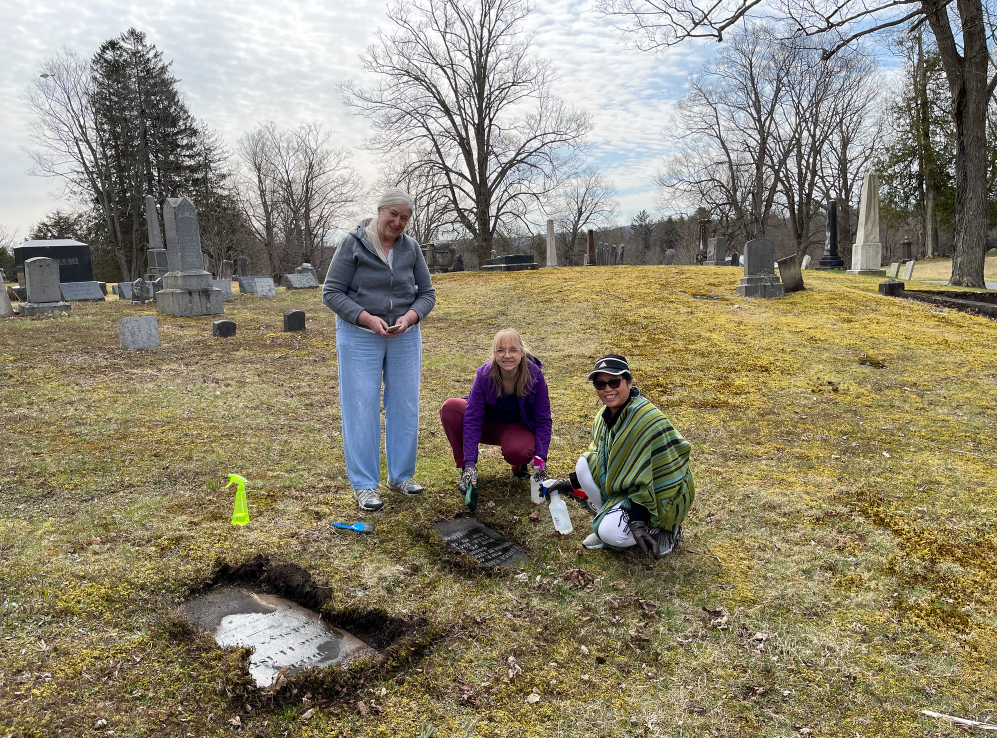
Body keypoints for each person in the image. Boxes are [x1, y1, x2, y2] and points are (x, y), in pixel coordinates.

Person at [322, 188, 436, 511]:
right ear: (380, 211)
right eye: (393, 215)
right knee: (361, 405)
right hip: (359, 333)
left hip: (404, 334)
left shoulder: (411, 249)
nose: (398, 223)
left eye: (405, 218)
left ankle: (400, 476)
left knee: (404, 403)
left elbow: (427, 294)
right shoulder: (352, 244)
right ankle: (364, 485)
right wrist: (367, 318)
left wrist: (411, 317)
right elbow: (331, 292)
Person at [544, 354, 693, 557]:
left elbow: (647, 475)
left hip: (663, 491)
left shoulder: (644, 419)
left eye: (614, 381)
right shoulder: (605, 416)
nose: (607, 389)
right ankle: (607, 517)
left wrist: (637, 520)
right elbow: (602, 457)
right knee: (585, 463)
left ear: (630, 382)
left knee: (610, 533)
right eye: (600, 384)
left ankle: (662, 529)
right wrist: (570, 483)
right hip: (633, 485)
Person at [439, 329, 552, 509]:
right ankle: (466, 472)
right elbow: (472, 418)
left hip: (515, 428)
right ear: (494, 354)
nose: (507, 355)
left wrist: (540, 460)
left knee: (519, 450)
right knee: (451, 408)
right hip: (487, 424)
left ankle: (519, 464)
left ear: (522, 353)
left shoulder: (534, 376)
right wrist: (470, 463)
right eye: (500, 350)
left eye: (513, 350)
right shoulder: (484, 374)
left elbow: (543, 419)